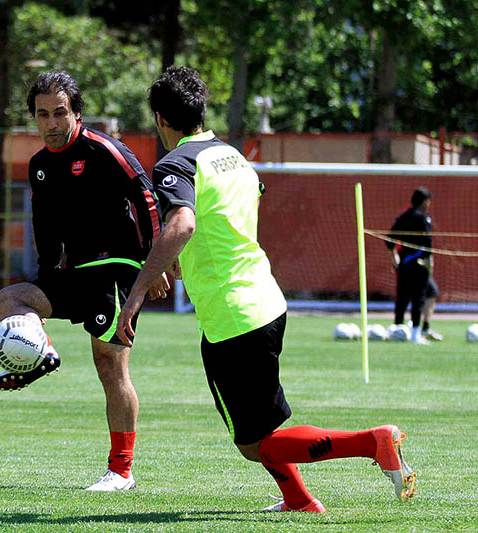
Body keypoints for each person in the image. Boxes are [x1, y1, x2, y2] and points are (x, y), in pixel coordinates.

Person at [116, 66, 417, 512]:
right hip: (265, 300)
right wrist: (182, 258)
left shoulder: (176, 164)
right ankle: (298, 500)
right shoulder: (233, 157)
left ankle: (373, 442)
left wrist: (138, 291)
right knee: (261, 431)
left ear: (160, 118)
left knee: (258, 445)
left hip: (232, 315)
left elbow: (183, 223)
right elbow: (232, 210)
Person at [0, 70, 166, 491]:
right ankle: (42, 353)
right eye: (42, 114)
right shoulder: (39, 166)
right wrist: (44, 288)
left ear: (76, 112)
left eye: (59, 113)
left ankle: (121, 472)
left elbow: (146, 198)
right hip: (74, 273)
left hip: (118, 268)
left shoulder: (104, 149)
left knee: (110, 365)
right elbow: (45, 230)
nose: (51, 123)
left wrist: (155, 263)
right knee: (9, 301)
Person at [387, 187, 442, 343]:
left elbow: (389, 239)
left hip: (404, 263)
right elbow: (428, 243)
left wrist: (394, 257)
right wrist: (429, 262)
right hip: (418, 264)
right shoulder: (423, 218)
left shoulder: (403, 216)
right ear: (425, 202)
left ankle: (397, 329)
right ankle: (416, 333)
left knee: (402, 298)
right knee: (418, 298)